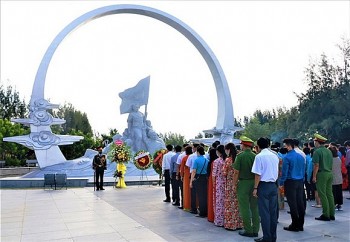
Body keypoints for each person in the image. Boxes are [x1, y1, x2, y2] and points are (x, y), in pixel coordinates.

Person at [252, 137, 279, 242]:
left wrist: (255, 188)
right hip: (273, 185)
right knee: (273, 213)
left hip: (263, 186)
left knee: (264, 213)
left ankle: (267, 237)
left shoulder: (259, 157)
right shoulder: (275, 155)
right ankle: (273, 236)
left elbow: (257, 174)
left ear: (258, 146)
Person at [233, 136, 259, 238]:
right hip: (254, 183)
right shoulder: (255, 156)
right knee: (254, 207)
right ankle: (256, 229)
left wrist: (234, 184)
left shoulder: (240, 156)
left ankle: (248, 230)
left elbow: (236, 172)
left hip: (243, 183)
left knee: (244, 208)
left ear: (243, 145)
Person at [279, 138, 306, 232]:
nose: (284, 147)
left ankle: (294, 225)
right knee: (300, 203)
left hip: (290, 182)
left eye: (285, 145)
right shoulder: (301, 156)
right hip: (300, 181)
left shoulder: (286, 157)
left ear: (289, 145)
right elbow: (303, 170)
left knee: (292, 204)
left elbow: (284, 173)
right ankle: (300, 224)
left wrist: (281, 183)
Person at [312, 133, 335, 221]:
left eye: (314, 141)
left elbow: (316, 165)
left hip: (321, 174)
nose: (314, 142)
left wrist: (314, 176)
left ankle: (326, 214)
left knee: (322, 194)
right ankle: (332, 214)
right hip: (329, 173)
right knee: (329, 194)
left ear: (317, 142)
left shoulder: (317, 152)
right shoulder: (328, 151)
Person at [223, 142, 243, 230]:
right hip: (239, 182)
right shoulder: (238, 158)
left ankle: (231, 224)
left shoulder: (228, 160)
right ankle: (239, 224)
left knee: (229, 204)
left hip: (230, 183)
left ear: (228, 150)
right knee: (238, 204)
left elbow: (224, 173)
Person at [190, 146, 208, 217]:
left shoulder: (196, 160)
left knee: (199, 196)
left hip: (198, 178)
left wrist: (191, 181)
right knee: (204, 196)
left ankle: (201, 212)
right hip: (204, 178)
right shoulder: (207, 160)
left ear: (198, 152)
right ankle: (205, 211)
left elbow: (194, 171)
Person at [212, 145, 226, 226]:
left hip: (218, 183)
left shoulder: (217, 161)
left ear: (218, 151)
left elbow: (214, 174)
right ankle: (225, 220)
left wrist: (214, 184)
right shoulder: (227, 160)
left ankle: (219, 220)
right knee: (224, 201)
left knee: (218, 202)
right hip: (226, 183)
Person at [207, 141, 220, 223]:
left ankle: (212, 216)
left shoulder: (213, 162)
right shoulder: (223, 160)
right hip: (219, 181)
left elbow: (212, 174)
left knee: (212, 198)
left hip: (213, 181)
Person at [186, 143, 199, 214]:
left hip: (193, 174)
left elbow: (188, 166)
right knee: (201, 193)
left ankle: (194, 208)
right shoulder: (205, 155)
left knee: (193, 192)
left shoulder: (191, 156)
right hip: (201, 174)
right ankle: (200, 207)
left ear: (194, 148)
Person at [329, 146, 343, 211]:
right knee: (339, 191)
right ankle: (339, 204)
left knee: (333, 192)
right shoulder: (338, 158)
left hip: (332, 178)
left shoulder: (330, 159)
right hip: (339, 177)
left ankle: (333, 204)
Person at [176, 143, 189, 209]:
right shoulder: (193, 156)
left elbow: (179, 167)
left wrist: (178, 175)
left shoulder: (182, 156)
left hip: (185, 175)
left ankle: (184, 204)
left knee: (183, 190)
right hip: (192, 175)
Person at [180, 146, 193, 211]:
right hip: (193, 174)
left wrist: (181, 175)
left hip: (186, 175)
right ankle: (195, 205)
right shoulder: (193, 157)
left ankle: (187, 206)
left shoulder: (184, 158)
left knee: (186, 190)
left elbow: (182, 168)